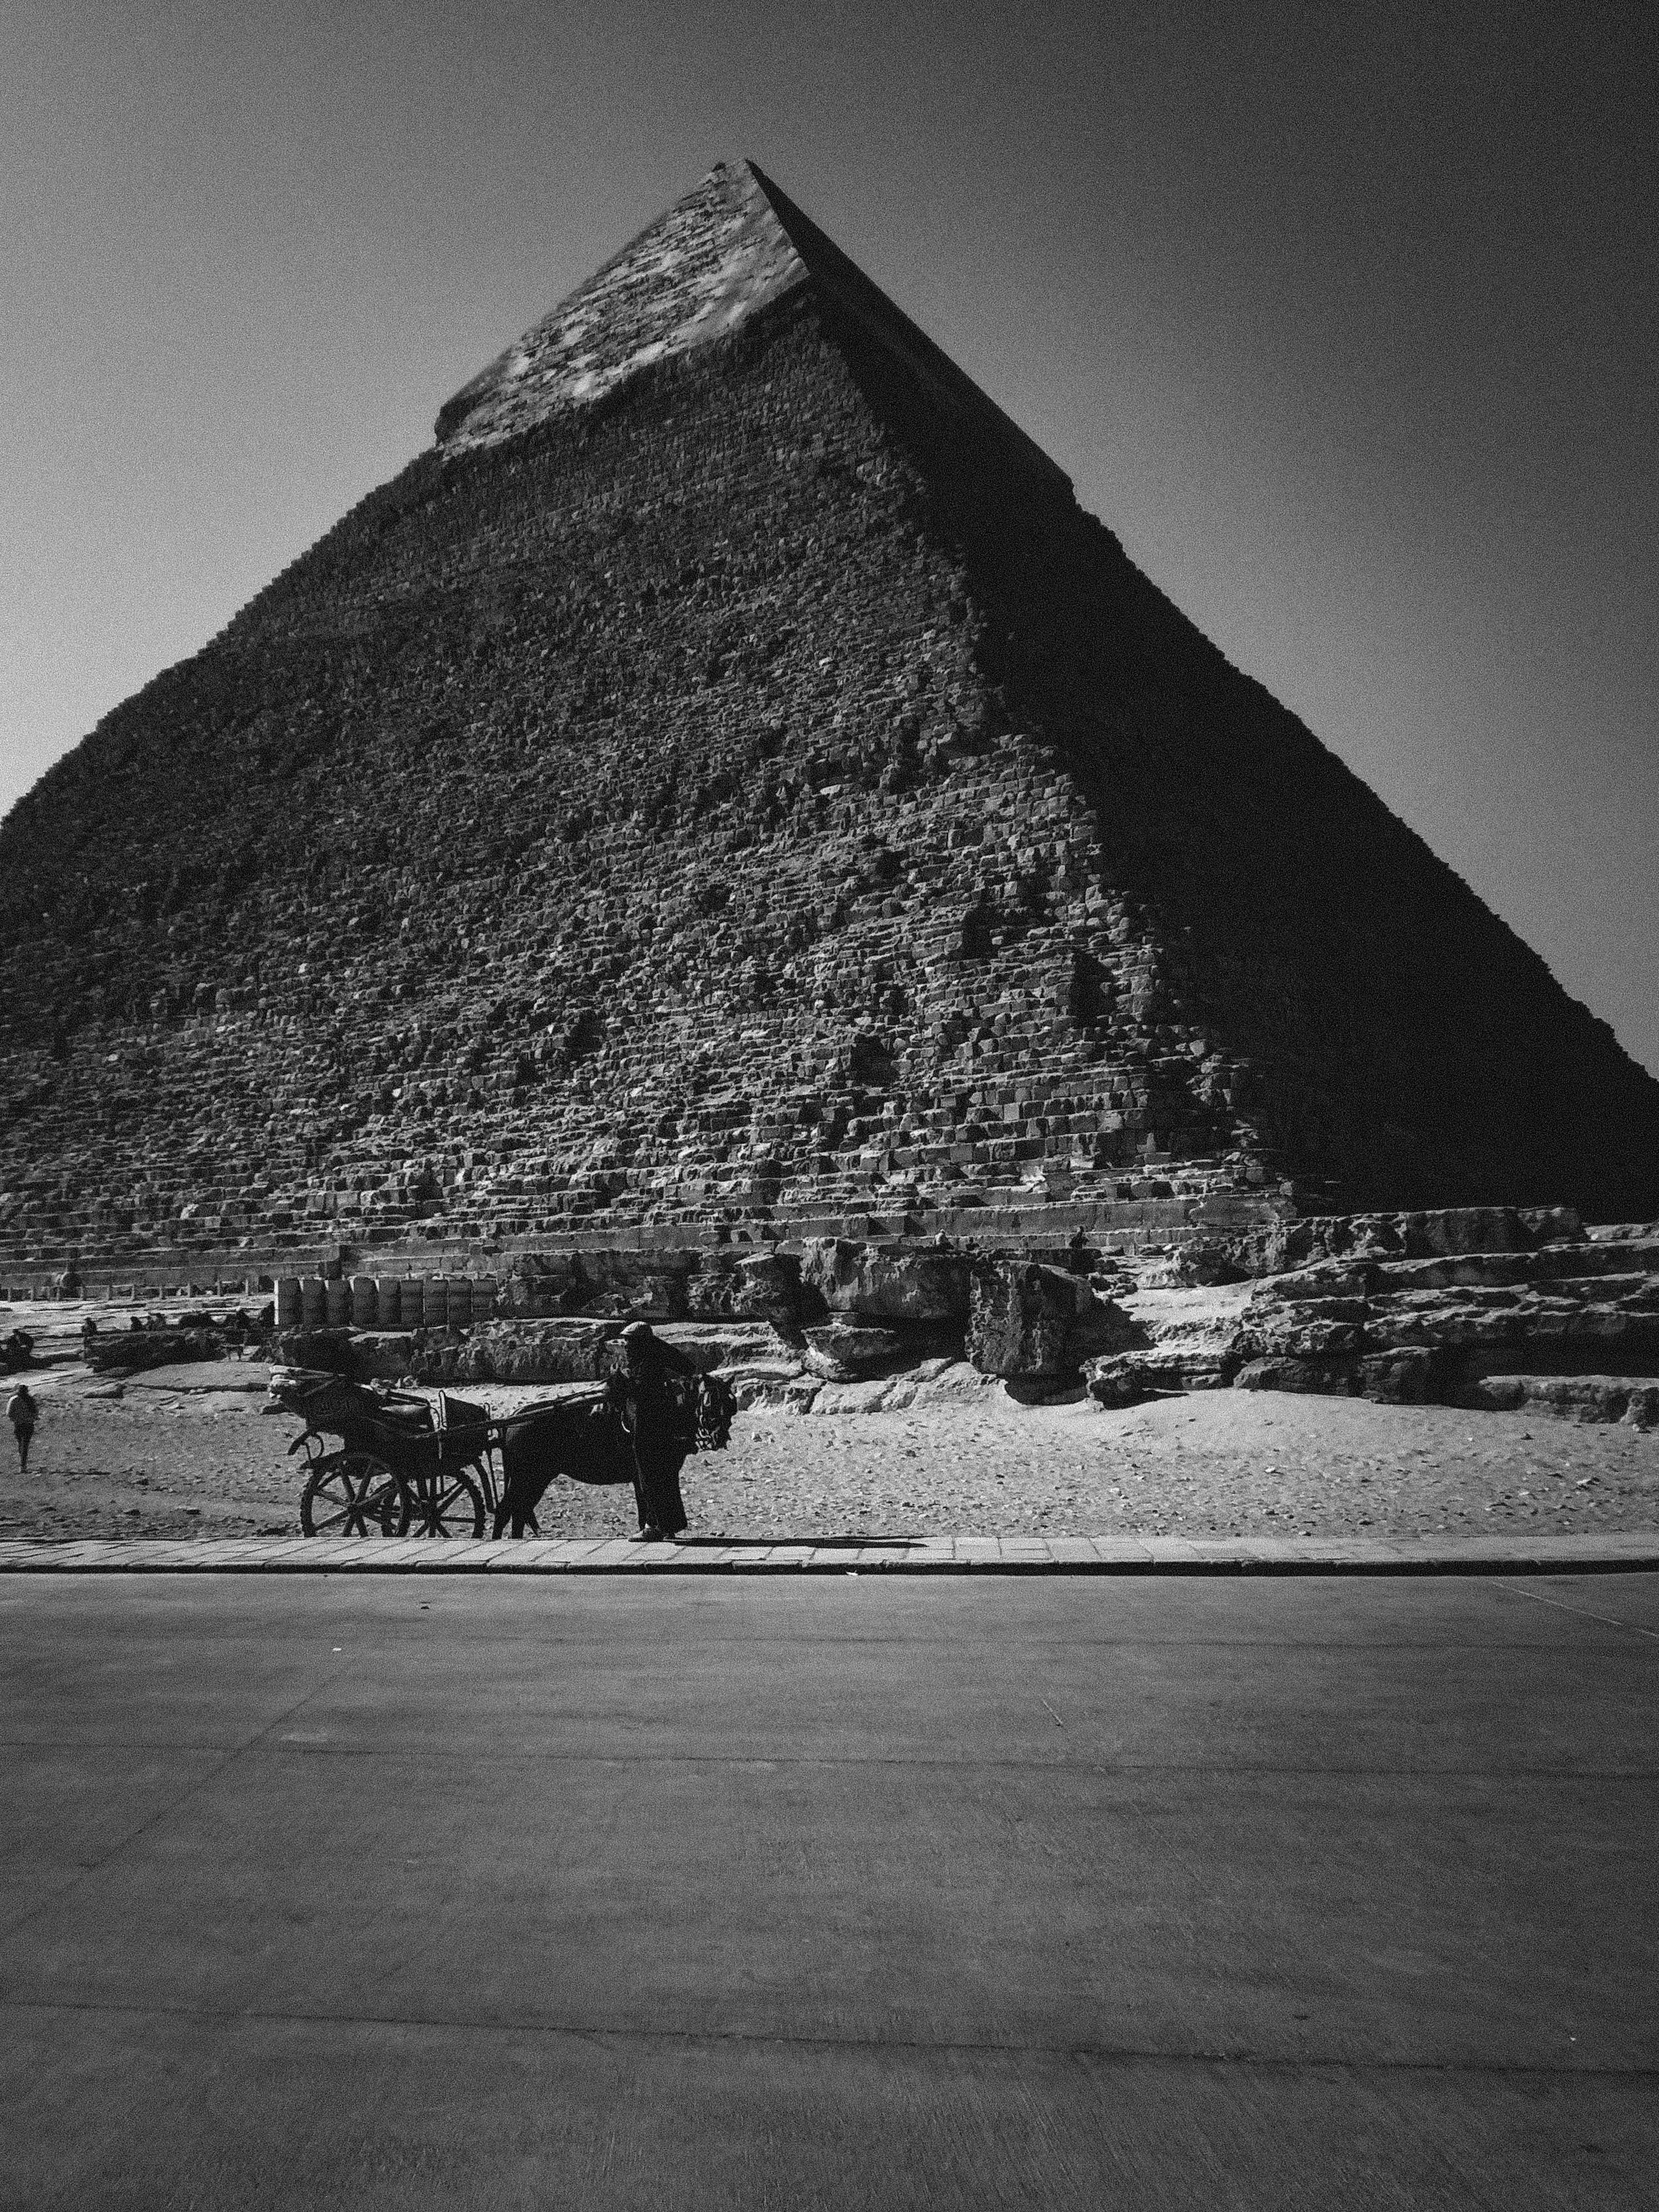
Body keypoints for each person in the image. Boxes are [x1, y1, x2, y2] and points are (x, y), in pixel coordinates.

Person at [605, 1321, 699, 1542]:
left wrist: (621, 1377)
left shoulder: (646, 1363)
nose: (626, 1345)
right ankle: (668, 1525)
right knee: (664, 1476)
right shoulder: (653, 1354)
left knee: (649, 1476)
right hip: (662, 1424)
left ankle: (653, 1527)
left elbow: (640, 1391)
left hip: (649, 1425)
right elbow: (686, 1365)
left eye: (629, 1341)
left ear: (639, 1342)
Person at [7, 1383, 38, 1473]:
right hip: (29, 1424)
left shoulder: (13, 1400)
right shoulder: (30, 1400)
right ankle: (23, 1464)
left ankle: (22, 1462)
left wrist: (15, 1419)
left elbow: (9, 1413)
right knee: (26, 1444)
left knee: (20, 1443)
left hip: (18, 1425)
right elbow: (35, 1413)